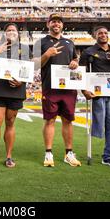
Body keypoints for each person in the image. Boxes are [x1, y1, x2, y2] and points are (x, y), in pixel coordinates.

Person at [33, 13, 82, 167]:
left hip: (68, 87)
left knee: (68, 120)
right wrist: (47, 54)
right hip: (50, 87)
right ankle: (48, 153)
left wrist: (75, 62)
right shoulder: (40, 42)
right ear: (48, 24)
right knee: (50, 120)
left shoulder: (69, 42)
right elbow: (34, 65)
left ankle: (69, 153)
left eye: (59, 22)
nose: (56, 24)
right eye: (53, 21)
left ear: (62, 25)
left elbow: (74, 59)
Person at [0, 23, 31, 168]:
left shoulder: (25, 48)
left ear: (18, 33)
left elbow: (28, 69)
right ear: (4, 33)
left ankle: (9, 156)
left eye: (14, 30)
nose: (11, 32)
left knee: (10, 123)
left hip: (16, 90)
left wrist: (21, 82)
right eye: (8, 30)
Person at [80, 26, 110, 168]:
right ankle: (104, 153)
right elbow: (81, 73)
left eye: (105, 33)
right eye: (100, 33)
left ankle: (109, 156)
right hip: (97, 94)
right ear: (95, 35)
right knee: (99, 125)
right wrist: (84, 91)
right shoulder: (89, 52)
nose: (103, 35)